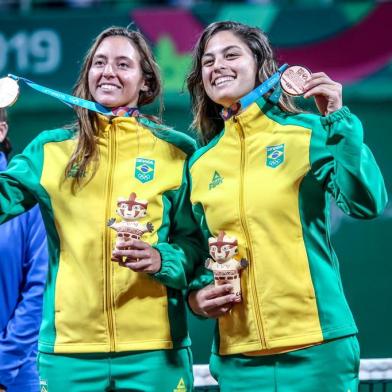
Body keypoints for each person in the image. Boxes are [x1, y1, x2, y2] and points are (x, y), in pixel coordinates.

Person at [186, 21, 388, 392]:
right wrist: (198, 295)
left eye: (232, 55)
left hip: (318, 348)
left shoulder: (308, 131)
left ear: (261, 64)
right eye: (208, 61)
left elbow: (367, 203)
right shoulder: (200, 164)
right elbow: (199, 250)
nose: (218, 66)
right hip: (238, 357)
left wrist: (337, 119)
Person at [0, 26, 202, 392]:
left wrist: (162, 259)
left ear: (145, 81)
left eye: (123, 64)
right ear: (87, 75)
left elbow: (198, 245)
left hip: (155, 351)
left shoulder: (177, 151)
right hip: (69, 353)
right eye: (99, 62)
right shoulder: (51, 150)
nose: (108, 71)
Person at [0, 108, 48, 392]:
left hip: (13, 376)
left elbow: (38, 292)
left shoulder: (27, 198)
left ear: (1, 130)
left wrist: (2, 366)